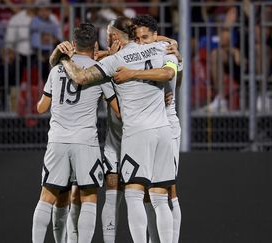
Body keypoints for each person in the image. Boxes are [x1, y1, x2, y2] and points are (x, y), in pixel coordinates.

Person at [58, 16, 178, 243]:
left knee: (133, 195)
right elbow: (170, 69)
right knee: (161, 198)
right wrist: (172, 45)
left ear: (113, 37)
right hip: (163, 132)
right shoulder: (162, 48)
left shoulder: (116, 61)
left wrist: (62, 59)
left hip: (136, 134)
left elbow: (81, 77)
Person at [32, 23, 119, 243]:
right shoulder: (100, 72)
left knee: (47, 197)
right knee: (88, 197)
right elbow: (119, 111)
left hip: (58, 141)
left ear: (72, 44)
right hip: (85, 142)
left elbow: (41, 108)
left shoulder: (57, 68)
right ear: (96, 45)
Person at [113, 14, 183, 243]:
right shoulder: (157, 50)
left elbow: (173, 77)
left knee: (166, 191)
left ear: (155, 35)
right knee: (150, 194)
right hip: (151, 126)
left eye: (146, 37)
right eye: (138, 38)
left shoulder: (166, 52)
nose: (142, 42)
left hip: (167, 124)